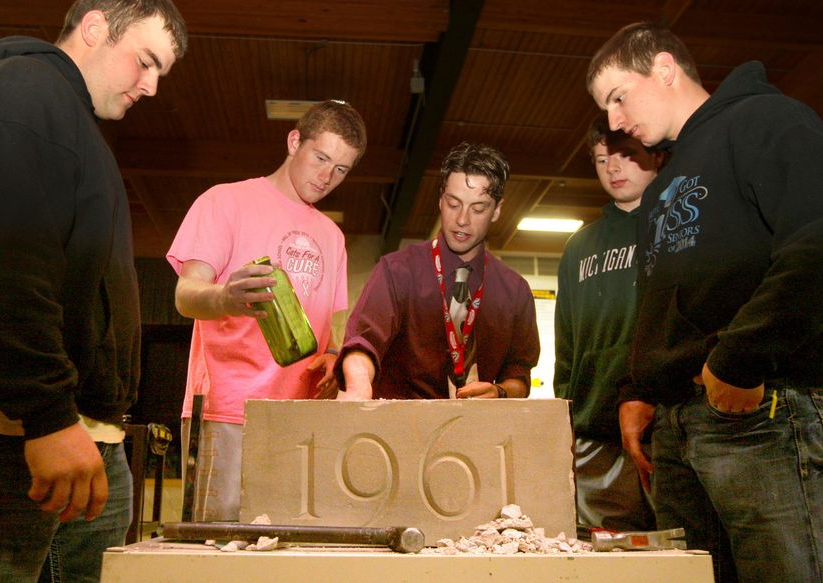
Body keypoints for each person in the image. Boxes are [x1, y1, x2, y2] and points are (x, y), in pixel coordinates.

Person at [0, 1, 188, 582]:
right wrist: (48, 417)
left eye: (162, 74)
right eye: (147, 61)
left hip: (84, 437)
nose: (151, 87)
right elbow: (3, 261)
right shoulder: (19, 95)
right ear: (96, 26)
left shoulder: (71, 123)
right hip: (8, 437)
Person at [587, 21, 823, 583]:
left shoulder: (769, 121)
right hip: (676, 430)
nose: (615, 121)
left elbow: (815, 244)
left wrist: (738, 357)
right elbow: (660, 299)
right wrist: (639, 389)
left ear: (664, 68)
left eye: (618, 97)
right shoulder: (668, 179)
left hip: (759, 413)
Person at [167, 100, 366, 521]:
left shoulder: (332, 237)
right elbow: (186, 294)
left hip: (299, 417)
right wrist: (224, 297)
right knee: (216, 548)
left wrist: (333, 357)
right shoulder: (225, 202)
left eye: (342, 169)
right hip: (227, 410)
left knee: (284, 552)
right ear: (295, 141)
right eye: (321, 158)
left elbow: (331, 329)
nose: (327, 177)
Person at [336, 142, 539, 400]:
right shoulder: (397, 271)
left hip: (478, 434)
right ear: (440, 199)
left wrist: (499, 392)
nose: (462, 219)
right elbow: (362, 344)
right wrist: (359, 388)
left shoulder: (515, 291)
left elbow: (519, 378)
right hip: (401, 432)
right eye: (454, 204)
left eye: (478, 209)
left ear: (497, 210)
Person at [554, 115, 661, 532]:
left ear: (656, 155)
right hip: (594, 429)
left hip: (661, 423)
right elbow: (567, 344)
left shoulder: (678, 228)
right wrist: (567, 415)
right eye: (601, 160)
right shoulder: (579, 246)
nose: (613, 168)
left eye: (625, 156)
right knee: (605, 557)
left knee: (682, 553)